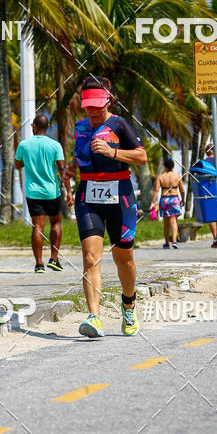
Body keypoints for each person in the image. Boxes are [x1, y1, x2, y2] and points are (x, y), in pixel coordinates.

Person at [63, 75, 147, 339]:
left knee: (124, 259)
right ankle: (94, 317)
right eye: (89, 106)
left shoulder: (120, 125)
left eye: (98, 105)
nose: (94, 111)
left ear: (108, 100)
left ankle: (129, 304)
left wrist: (113, 153)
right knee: (90, 258)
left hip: (120, 197)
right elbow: (79, 154)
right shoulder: (79, 127)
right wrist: (71, 169)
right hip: (88, 196)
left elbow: (142, 156)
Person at [15, 114, 72, 273]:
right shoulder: (55, 145)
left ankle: (39, 264)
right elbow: (62, 169)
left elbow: (17, 165)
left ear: (34, 126)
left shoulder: (24, 145)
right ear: (47, 127)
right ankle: (54, 259)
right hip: (52, 192)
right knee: (56, 223)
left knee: (37, 227)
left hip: (33, 192)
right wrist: (69, 192)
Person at [151, 158, 185, 249]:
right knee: (173, 221)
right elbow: (182, 190)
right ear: (173, 166)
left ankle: (166, 243)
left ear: (165, 166)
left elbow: (156, 190)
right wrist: (183, 199)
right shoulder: (177, 176)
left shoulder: (160, 177)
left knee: (166, 223)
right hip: (174, 198)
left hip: (164, 199)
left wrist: (152, 202)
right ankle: (174, 241)